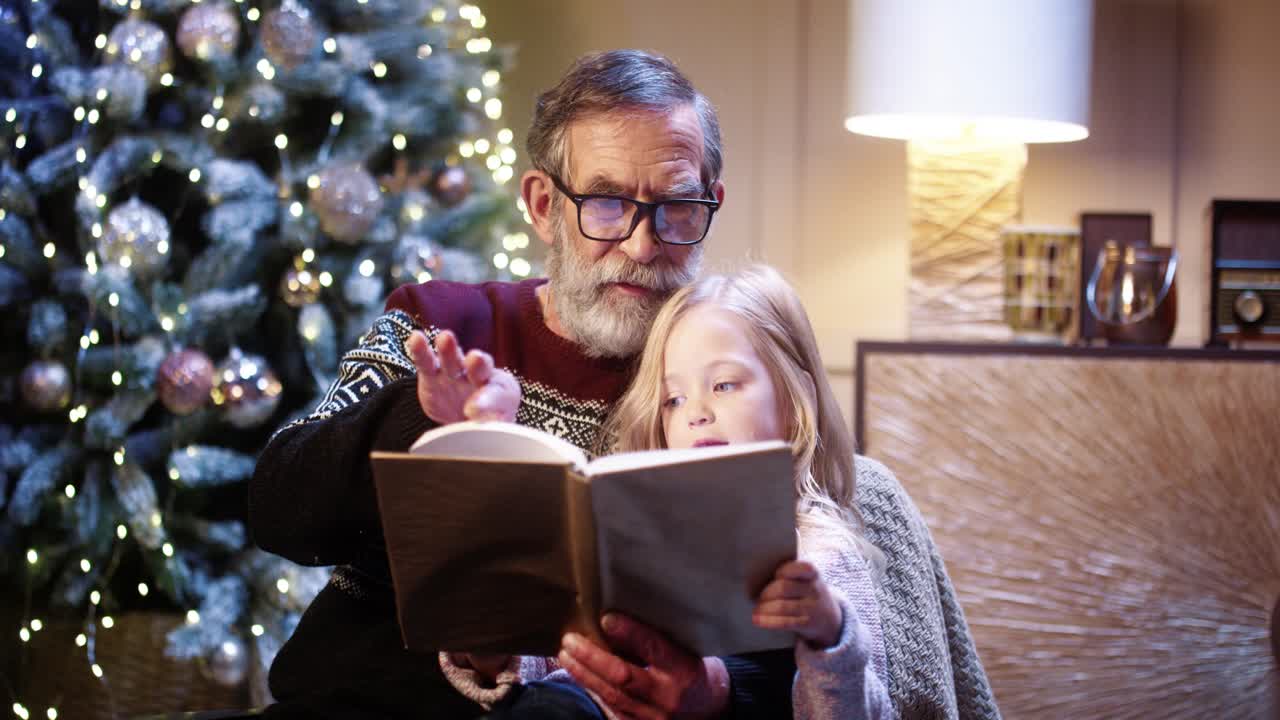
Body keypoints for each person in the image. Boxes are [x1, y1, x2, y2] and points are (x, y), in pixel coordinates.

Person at [250, 49, 796, 719]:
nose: (641, 244)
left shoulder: (723, 376)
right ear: (544, 206)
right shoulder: (440, 324)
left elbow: (799, 615)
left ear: (709, 202)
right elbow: (279, 511)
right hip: (369, 698)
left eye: (675, 207)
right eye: (605, 203)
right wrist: (423, 419)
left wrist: (717, 691)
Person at [438, 265, 895, 720]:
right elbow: (560, 657)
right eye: (673, 399)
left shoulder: (818, 550)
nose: (695, 412)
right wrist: (494, 648)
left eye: (723, 385)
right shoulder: (628, 531)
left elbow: (862, 710)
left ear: (795, 404)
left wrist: (831, 635)